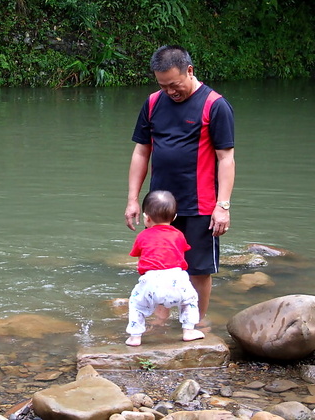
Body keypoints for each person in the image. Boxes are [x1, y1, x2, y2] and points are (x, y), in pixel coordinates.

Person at [125, 45, 235, 321]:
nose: (170, 91)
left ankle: (196, 323)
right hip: (161, 206)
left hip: (201, 204)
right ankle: (160, 323)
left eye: (174, 85)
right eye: (163, 86)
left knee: (199, 269)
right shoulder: (152, 103)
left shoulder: (214, 105)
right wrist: (132, 199)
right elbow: (141, 151)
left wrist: (222, 206)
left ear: (189, 70)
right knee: (161, 265)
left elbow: (226, 159)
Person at [126, 190, 204, 346]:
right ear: (174, 217)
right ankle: (188, 330)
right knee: (190, 300)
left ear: (146, 217)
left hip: (152, 280)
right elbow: (182, 253)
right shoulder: (178, 235)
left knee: (136, 303)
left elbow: (137, 255)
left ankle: (135, 336)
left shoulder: (143, 236)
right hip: (177, 278)